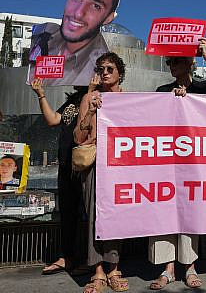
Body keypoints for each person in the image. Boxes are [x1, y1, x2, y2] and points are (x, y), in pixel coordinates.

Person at [148, 37, 206, 290]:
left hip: (194, 165)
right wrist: (172, 101)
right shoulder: (162, 92)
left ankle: (190, 267)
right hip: (166, 164)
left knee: (189, 213)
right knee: (164, 212)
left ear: (189, 63)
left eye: (176, 61)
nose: (172, 65)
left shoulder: (203, 88)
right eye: (169, 61)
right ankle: (167, 269)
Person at [74, 52, 128, 293]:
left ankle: (114, 267)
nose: (105, 73)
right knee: (94, 218)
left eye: (110, 68)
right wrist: (91, 111)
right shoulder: (90, 97)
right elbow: (79, 136)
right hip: (95, 163)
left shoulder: (128, 99)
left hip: (118, 164)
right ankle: (98, 271)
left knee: (115, 216)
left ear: (119, 73)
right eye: (101, 69)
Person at [31, 79, 89, 275]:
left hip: (86, 165)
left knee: (86, 213)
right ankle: (67, 256)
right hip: (66, 163)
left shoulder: (96, 97)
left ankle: (88, 259)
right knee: (68, 211)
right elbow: (53, 120)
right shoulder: (72, 101)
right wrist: (41, 94)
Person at [28, 0, 120, 86]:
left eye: (96, 6)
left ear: (108, 18)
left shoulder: (97, 67)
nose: (78, 13)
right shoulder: (42, 35)